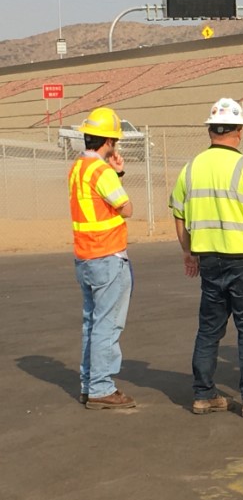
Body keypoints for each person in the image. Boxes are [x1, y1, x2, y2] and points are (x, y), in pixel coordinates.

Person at [169, 98, 243, 418]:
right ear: (240, 130)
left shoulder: (191, 169)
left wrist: (188, 251)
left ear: (210, 130)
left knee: (209, 328)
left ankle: (204, 394)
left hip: (209, 259)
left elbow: (179, 214)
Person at [70, 107, 136, 409]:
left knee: (92, 324)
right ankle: (101, 388)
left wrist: (116, 173)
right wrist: (117, 174)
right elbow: (126, 207)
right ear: (109, 141)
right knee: (108, 324)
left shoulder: (78, 168)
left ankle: (89, 383)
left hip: (85, 256)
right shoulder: (102, 171)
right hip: (108, 255)